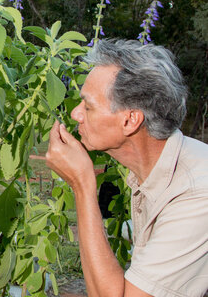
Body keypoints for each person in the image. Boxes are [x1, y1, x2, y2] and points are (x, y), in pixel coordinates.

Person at [45, 39, 208, 297]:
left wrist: (82, 184)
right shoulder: (153, 170)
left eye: (88, 106)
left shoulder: (196, 196)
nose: (76, 114)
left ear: (130, 120)